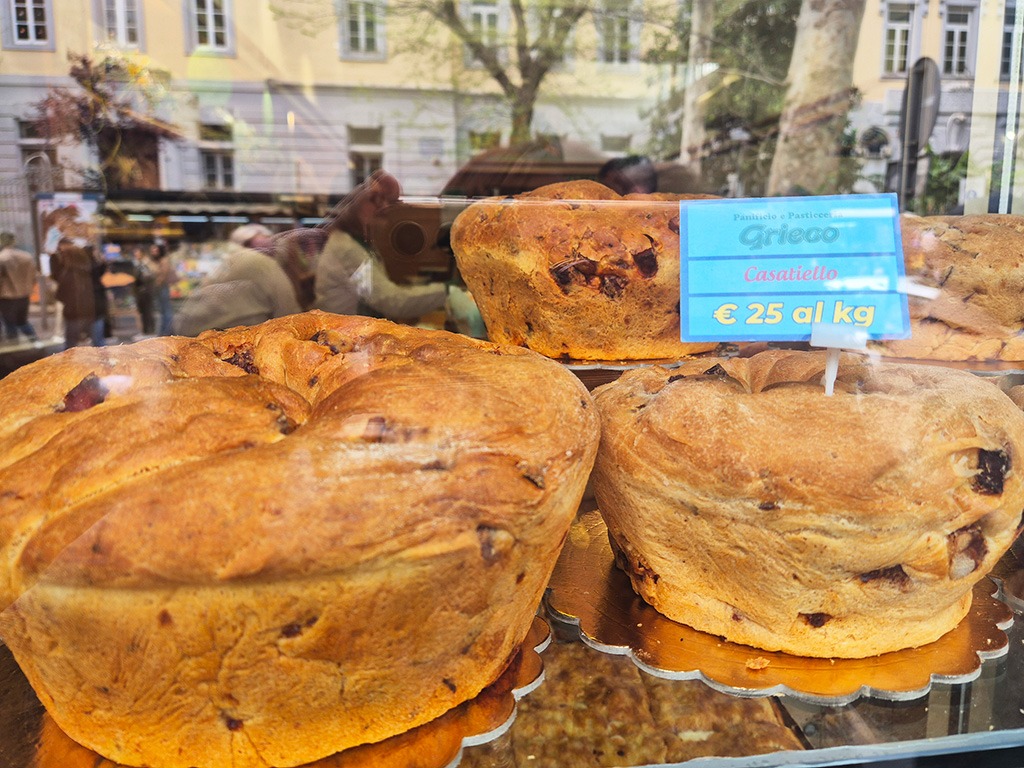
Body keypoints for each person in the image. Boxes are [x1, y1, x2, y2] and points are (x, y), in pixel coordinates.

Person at [313, 170, 447, 321]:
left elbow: (380, 294)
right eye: (374, 199)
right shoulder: (345, 248)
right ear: (352, 201)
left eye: (391, 202)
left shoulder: (360, 242)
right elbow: (391, 302)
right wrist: (448, 292)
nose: (384, 207)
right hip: (341, 336)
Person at [173, 224, 301, 337]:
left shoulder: (224, 261)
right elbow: (290, 314)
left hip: (193, 336)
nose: (270, 253)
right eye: (263, 248)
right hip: (240, 342)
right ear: (245, 245)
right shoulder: (263, 264)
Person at [51, 238, 104, 349]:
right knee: (99, 346)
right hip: (95, 311)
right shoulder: (92, 271)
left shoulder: (67, 274)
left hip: (73, 314)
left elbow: (60, 296)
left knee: (70, 347)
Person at [0, 231, 39, 343]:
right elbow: (33, 276)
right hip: (24, 295)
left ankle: (14, 349)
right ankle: (36, 343)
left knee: (9, 324)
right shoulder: (26, 256)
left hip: (6, 297)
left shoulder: (1, 258)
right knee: (23, 322)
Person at [149, 242, 175, 335]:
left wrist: (157, 283)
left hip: (162, 287)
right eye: (152, 250)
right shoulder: (157, 261)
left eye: (155, 250)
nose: (153, 252)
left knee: (166, 311)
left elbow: (163, 275)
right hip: (159, 288)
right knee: (162, 311)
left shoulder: (164, 261)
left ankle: (166, 332)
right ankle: (164, 331)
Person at [130, 246, 157, 336]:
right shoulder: (139, 264)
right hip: (141, 291)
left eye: (137, 253)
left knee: (147, 311)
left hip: (146, 292)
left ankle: (148, 330)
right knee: (143, 311)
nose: (136, 255)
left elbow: (147, 277)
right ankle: (146, 330)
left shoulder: (145, 264)